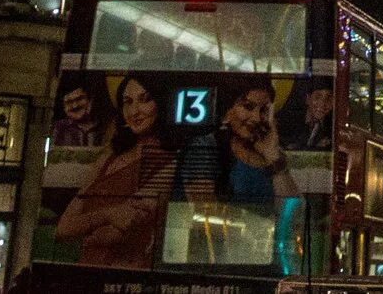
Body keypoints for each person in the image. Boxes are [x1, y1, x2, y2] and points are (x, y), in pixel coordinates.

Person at [53, 74, 173, 269]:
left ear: (160, 103)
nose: (135, 111)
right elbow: (63, 228)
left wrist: (87, 222)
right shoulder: (110, 157)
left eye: (145, 100)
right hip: (84, 272)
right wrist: (107, 215)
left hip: (126, 275)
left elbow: (118, 231)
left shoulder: (169, 161)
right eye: (127, 102)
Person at [174, 81, 291, 264]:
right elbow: (204, 214)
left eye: (263, 111)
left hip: (262, 259)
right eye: (248, 107)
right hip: (214, 260)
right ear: (228, 111)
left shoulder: (271, 154)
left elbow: (292, 215)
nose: (256, 118)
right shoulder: (205, 147)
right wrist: (258, 227)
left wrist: (272, 156)